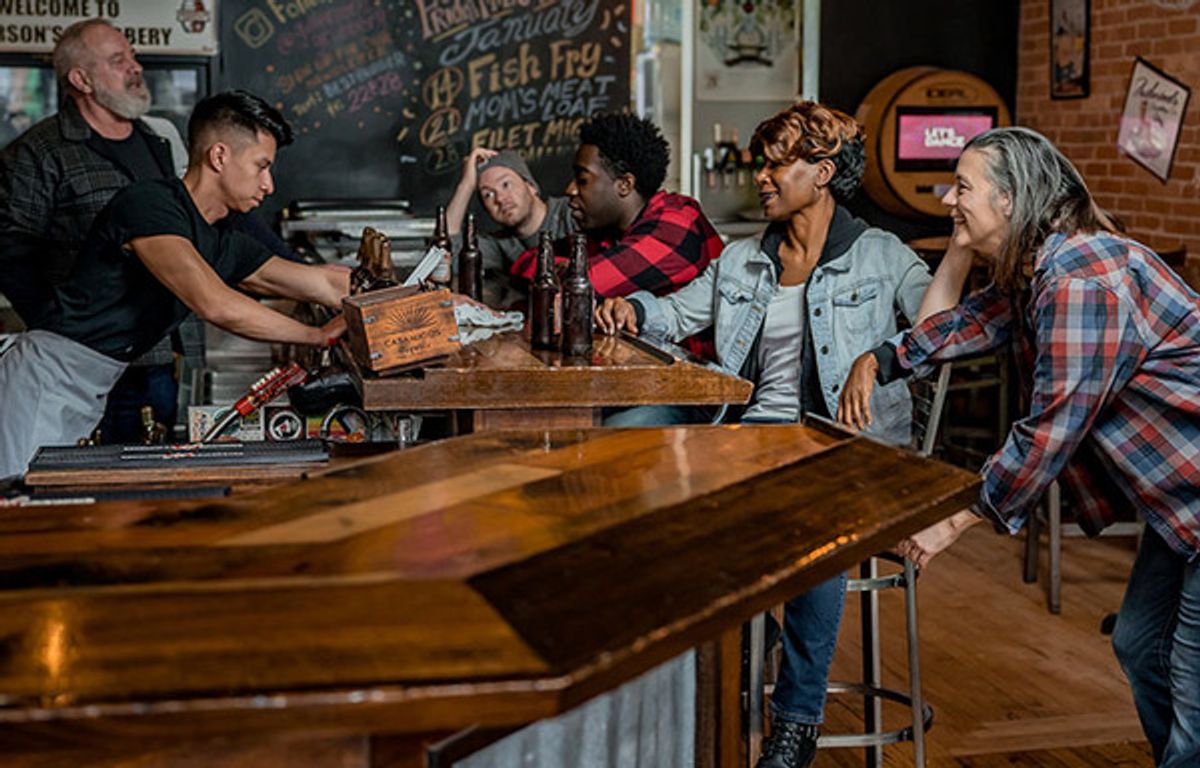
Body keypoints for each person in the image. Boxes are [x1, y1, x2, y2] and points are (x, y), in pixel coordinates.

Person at [595, 101, 955, 767]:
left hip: (840, 452)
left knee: (810, 523)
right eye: (762, 163)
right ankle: (676, 667)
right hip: (744, 441)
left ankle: (793, 722)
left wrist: (880, 354)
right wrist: (633, 307)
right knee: (627, 432)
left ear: (821, 173)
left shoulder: (880, 257)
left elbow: (940, 330)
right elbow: (675, 312)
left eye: (776, 163)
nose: (761, 176)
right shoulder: (742, 262)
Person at [839, 126, 1200, 768]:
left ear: (1010, 200)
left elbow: (1051, 426)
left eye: (964, 187)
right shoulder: (1041, 272)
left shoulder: (1082, 280)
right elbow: (974, 320)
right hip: (1183, 511)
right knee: (1142, 647)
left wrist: (955, 519)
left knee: (1192, 690)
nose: (950, 199)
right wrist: (882, 358)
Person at [0, 90, 349, 480]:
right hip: (46, 380)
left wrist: (404, 292)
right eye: (260, 166)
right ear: (219, 157)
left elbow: (322, 282)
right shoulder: (151, 205)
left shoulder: (221, 241)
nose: (268, 184)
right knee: (18, 510)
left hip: (88, 383)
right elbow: (214, 304)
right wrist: (316, 335)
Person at [444, 147, 575, 307]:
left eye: (506, 184)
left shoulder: (571, 213)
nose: (500, 199)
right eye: (488, 195)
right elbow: (446, 254)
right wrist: (466, 186)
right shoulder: (500, 244)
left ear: (531, 186)